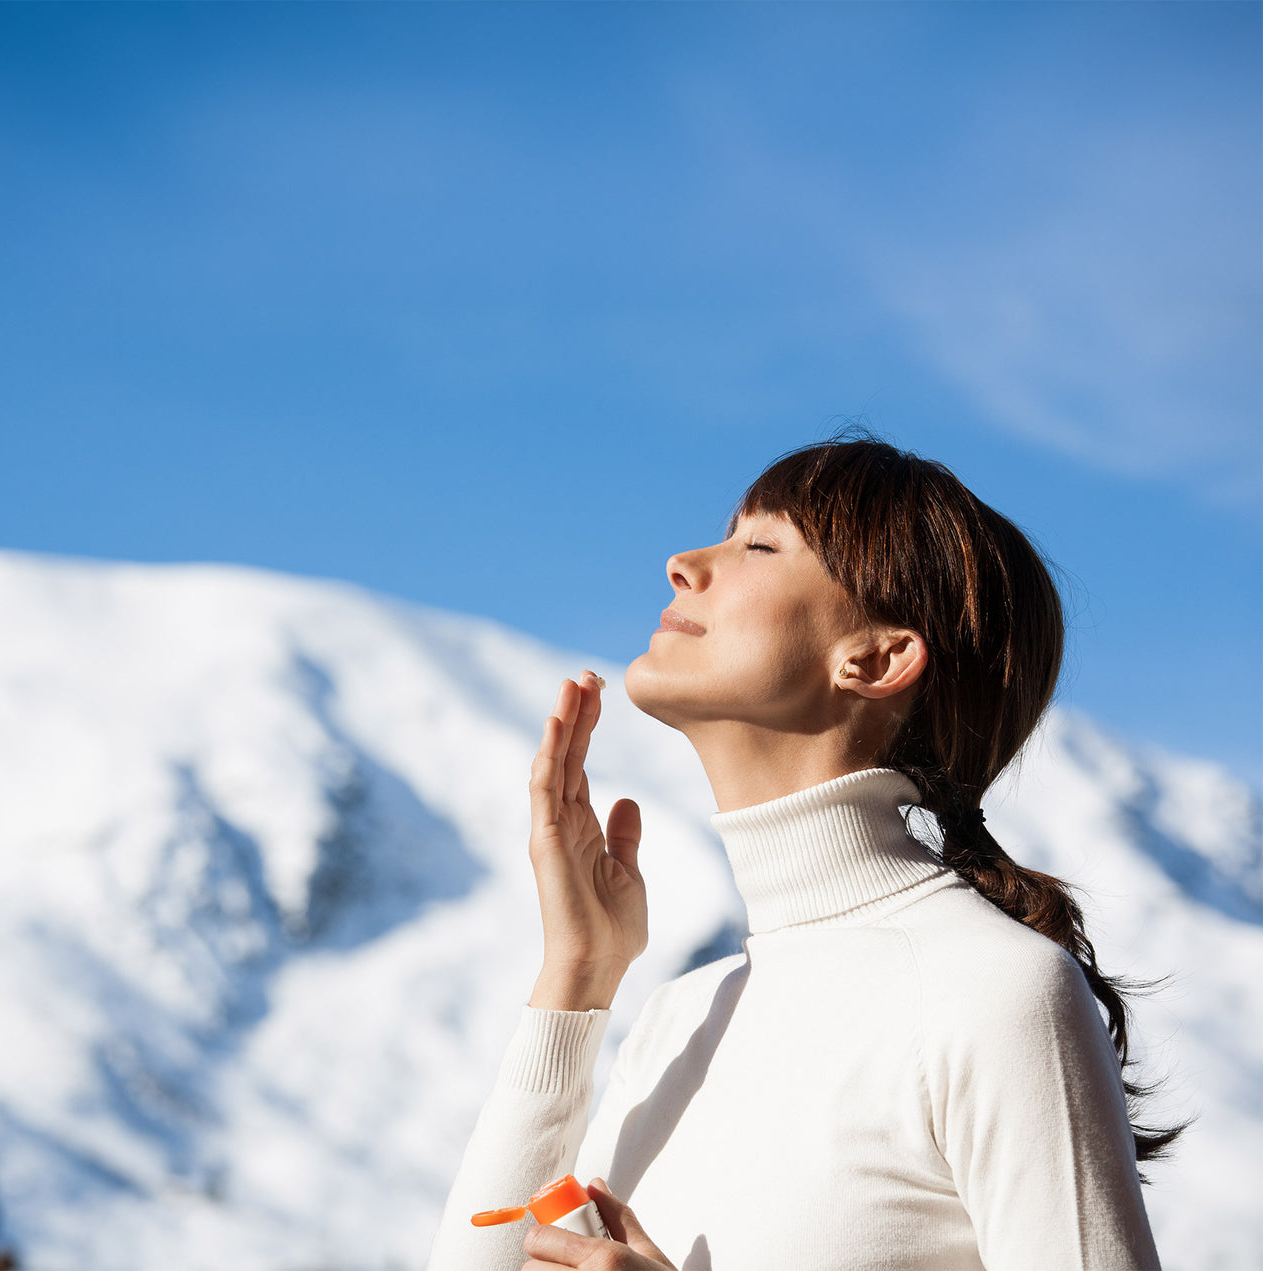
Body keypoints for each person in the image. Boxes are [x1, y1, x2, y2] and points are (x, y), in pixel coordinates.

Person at [425, 434, 1187, 1271]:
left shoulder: (995, 990)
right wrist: (579, 971)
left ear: (877, 657)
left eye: (760, 545)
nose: (682, 563)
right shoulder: (681, 1016)